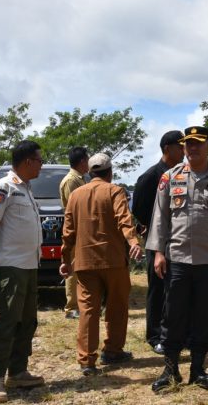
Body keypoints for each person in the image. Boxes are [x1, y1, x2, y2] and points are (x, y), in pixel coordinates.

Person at [146, 126, 208, 392]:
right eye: (189, 143)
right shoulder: (170, 177)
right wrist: (158, 252)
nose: (193, 148)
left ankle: (198, 369)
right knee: (172, 315)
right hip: (177, 259)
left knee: (205, 315)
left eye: (199, 143)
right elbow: (160, 217)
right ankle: (170, 370)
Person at [60, 153, 143, 375]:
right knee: (117, 307)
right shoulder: (115, 191)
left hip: (85, 262)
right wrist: (133, 242)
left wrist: (65, 260)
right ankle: (113, 351)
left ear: (90, 172)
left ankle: (87, 361)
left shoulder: (75, 195)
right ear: (110, 173)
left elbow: (68, 232)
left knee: (88, 310)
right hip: (113, 261)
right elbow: (124, 220)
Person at [0, 141, 45, 403]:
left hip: (30, 265)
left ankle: (18, 371)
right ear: (28, 161)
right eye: (39, 160)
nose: (41, 165)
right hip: (11, 266)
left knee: (28, 321)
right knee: (8, 321)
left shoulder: (26, 189)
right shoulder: (4, 187)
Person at [132, 130, 184, 354]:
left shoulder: (181, 173)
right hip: (157, 240)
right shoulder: (151, 176)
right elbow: (139, 209)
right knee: (157, 287)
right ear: (167, 149)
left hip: (178, 239)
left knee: (175, 288)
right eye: (180, 147)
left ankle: (174, 332)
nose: (184, 151)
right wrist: (154, 228)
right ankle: (155, 335)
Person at [59, 146, 90, 320]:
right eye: (87, 159)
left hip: (82, 229)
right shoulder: (71, 181)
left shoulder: (81, 179)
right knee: (72, 268)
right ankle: (71, 308)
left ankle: (80, 304)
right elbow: (75, 209)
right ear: (82, 161)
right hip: (75, 230)